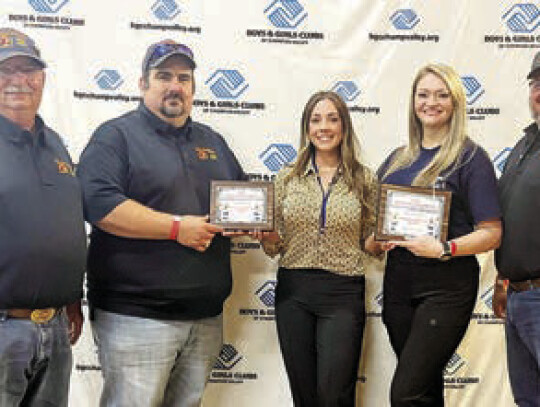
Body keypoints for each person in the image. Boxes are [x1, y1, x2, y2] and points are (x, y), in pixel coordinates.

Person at [76, 39, 245, 407]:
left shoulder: (213, 141)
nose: (175, 85)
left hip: (205, 317)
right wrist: (176, 227)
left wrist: (251, 223)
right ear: (142, 84)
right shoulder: (115, 136)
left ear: (193, 88)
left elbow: (243, 199)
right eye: (163, 76)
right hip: (135, 317)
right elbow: (100, 205)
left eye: (184, 78)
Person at [365, 63, 502, 406]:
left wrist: (444, 247)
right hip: (398, 288)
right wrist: (376, 241)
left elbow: (491, 233)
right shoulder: (396, 161)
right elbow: (370, 239)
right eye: (423, 94)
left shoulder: (471, 158)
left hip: (447, 288)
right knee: (424, 391)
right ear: (413, 102)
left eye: (442, 95)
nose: (431, 102)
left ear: (455, 103)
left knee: (406, 394)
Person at [257, 90, 378, 407]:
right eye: (316, 119)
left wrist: (385, 239)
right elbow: (276, 244)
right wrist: (264, 234)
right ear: (306, 127)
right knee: (304, 394)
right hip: (293, 292)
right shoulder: (287, 177)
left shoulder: (364, 179)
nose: (324, 127)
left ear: (344, 126)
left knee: (334, 394)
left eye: (333, 119)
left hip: (342, 292)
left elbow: (369, 240)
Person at [0, 28, 86, 406]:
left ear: (43, 78)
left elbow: (62, 224)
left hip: (54, 328)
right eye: (6, 70)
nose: (19, 80)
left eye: (28, 70)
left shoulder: (55, 143)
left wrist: (71, 300)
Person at [494, 51, 540, 407]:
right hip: (517, 297)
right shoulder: (523, 146)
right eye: (536, 82)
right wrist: (503, 278)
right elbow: (510, 216)